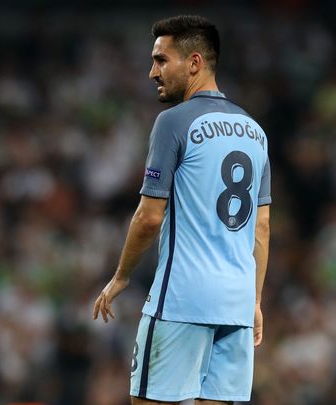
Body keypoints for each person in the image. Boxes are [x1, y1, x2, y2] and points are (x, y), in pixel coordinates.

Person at [92, 15, 271, 405]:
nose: (152, 72)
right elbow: (261, 226)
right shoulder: (255, 131)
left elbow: (150, 215)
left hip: (182, 300)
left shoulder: (173, 122)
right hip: (237, 305)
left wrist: (121, 276)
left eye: (161, 60)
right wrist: (255, 301)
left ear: (194, 63)